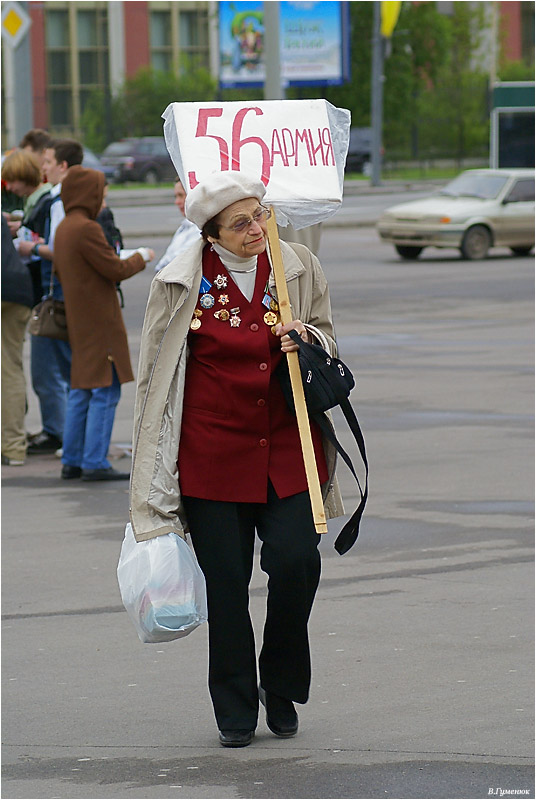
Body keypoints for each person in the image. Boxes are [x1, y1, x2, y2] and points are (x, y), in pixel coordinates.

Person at [129, 171, 344, 748]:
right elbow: (156, 376)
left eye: (261, 215)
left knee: (298, 561)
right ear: (212, 234)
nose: (256, 228)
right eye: (240, 222)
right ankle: (234, 704)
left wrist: (310, 340)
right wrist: (151, 473)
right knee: (226, 586)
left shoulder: (297, 264)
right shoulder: (180, 279)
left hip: (288, 449)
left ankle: (281, 683)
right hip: (213, 455)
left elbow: (328, 336)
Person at [54, 165, 154, 481]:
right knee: (106, 390)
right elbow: (115, 270)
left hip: (79, 318)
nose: (102, 197)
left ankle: (72, 458)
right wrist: (142, 257)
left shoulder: (65, 227)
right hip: (100, 320)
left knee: (82, 388)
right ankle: (95, 461)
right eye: (101, 191)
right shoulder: (87, 228)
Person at [18, 138, 84, 455]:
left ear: (63, 166)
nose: (42, 168)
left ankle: (70, 440)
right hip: (59, 293)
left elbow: (61, 249)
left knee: (67, 370)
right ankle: (68, 437)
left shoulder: (62, 201)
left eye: (47, 162)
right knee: (66, 369)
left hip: (59, 294)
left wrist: (31, 247)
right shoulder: (59, 198)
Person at [1, 216, 34, 465]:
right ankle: (13, 444)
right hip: (18, 288)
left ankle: (12, 445)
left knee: (8, 369)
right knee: (11, 367)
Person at [1, 149, 50, 305]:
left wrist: (31, 246)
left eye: (11, 181)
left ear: (24, 176)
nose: (8, 188)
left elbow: (48, 241)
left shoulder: (44, 203)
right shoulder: (34, 201)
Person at [154, 177, 200, 272]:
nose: (177, 202)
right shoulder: (184, 226)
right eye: (175, 196)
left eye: (181, 195)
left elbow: (176, 262)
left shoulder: (199, 229)